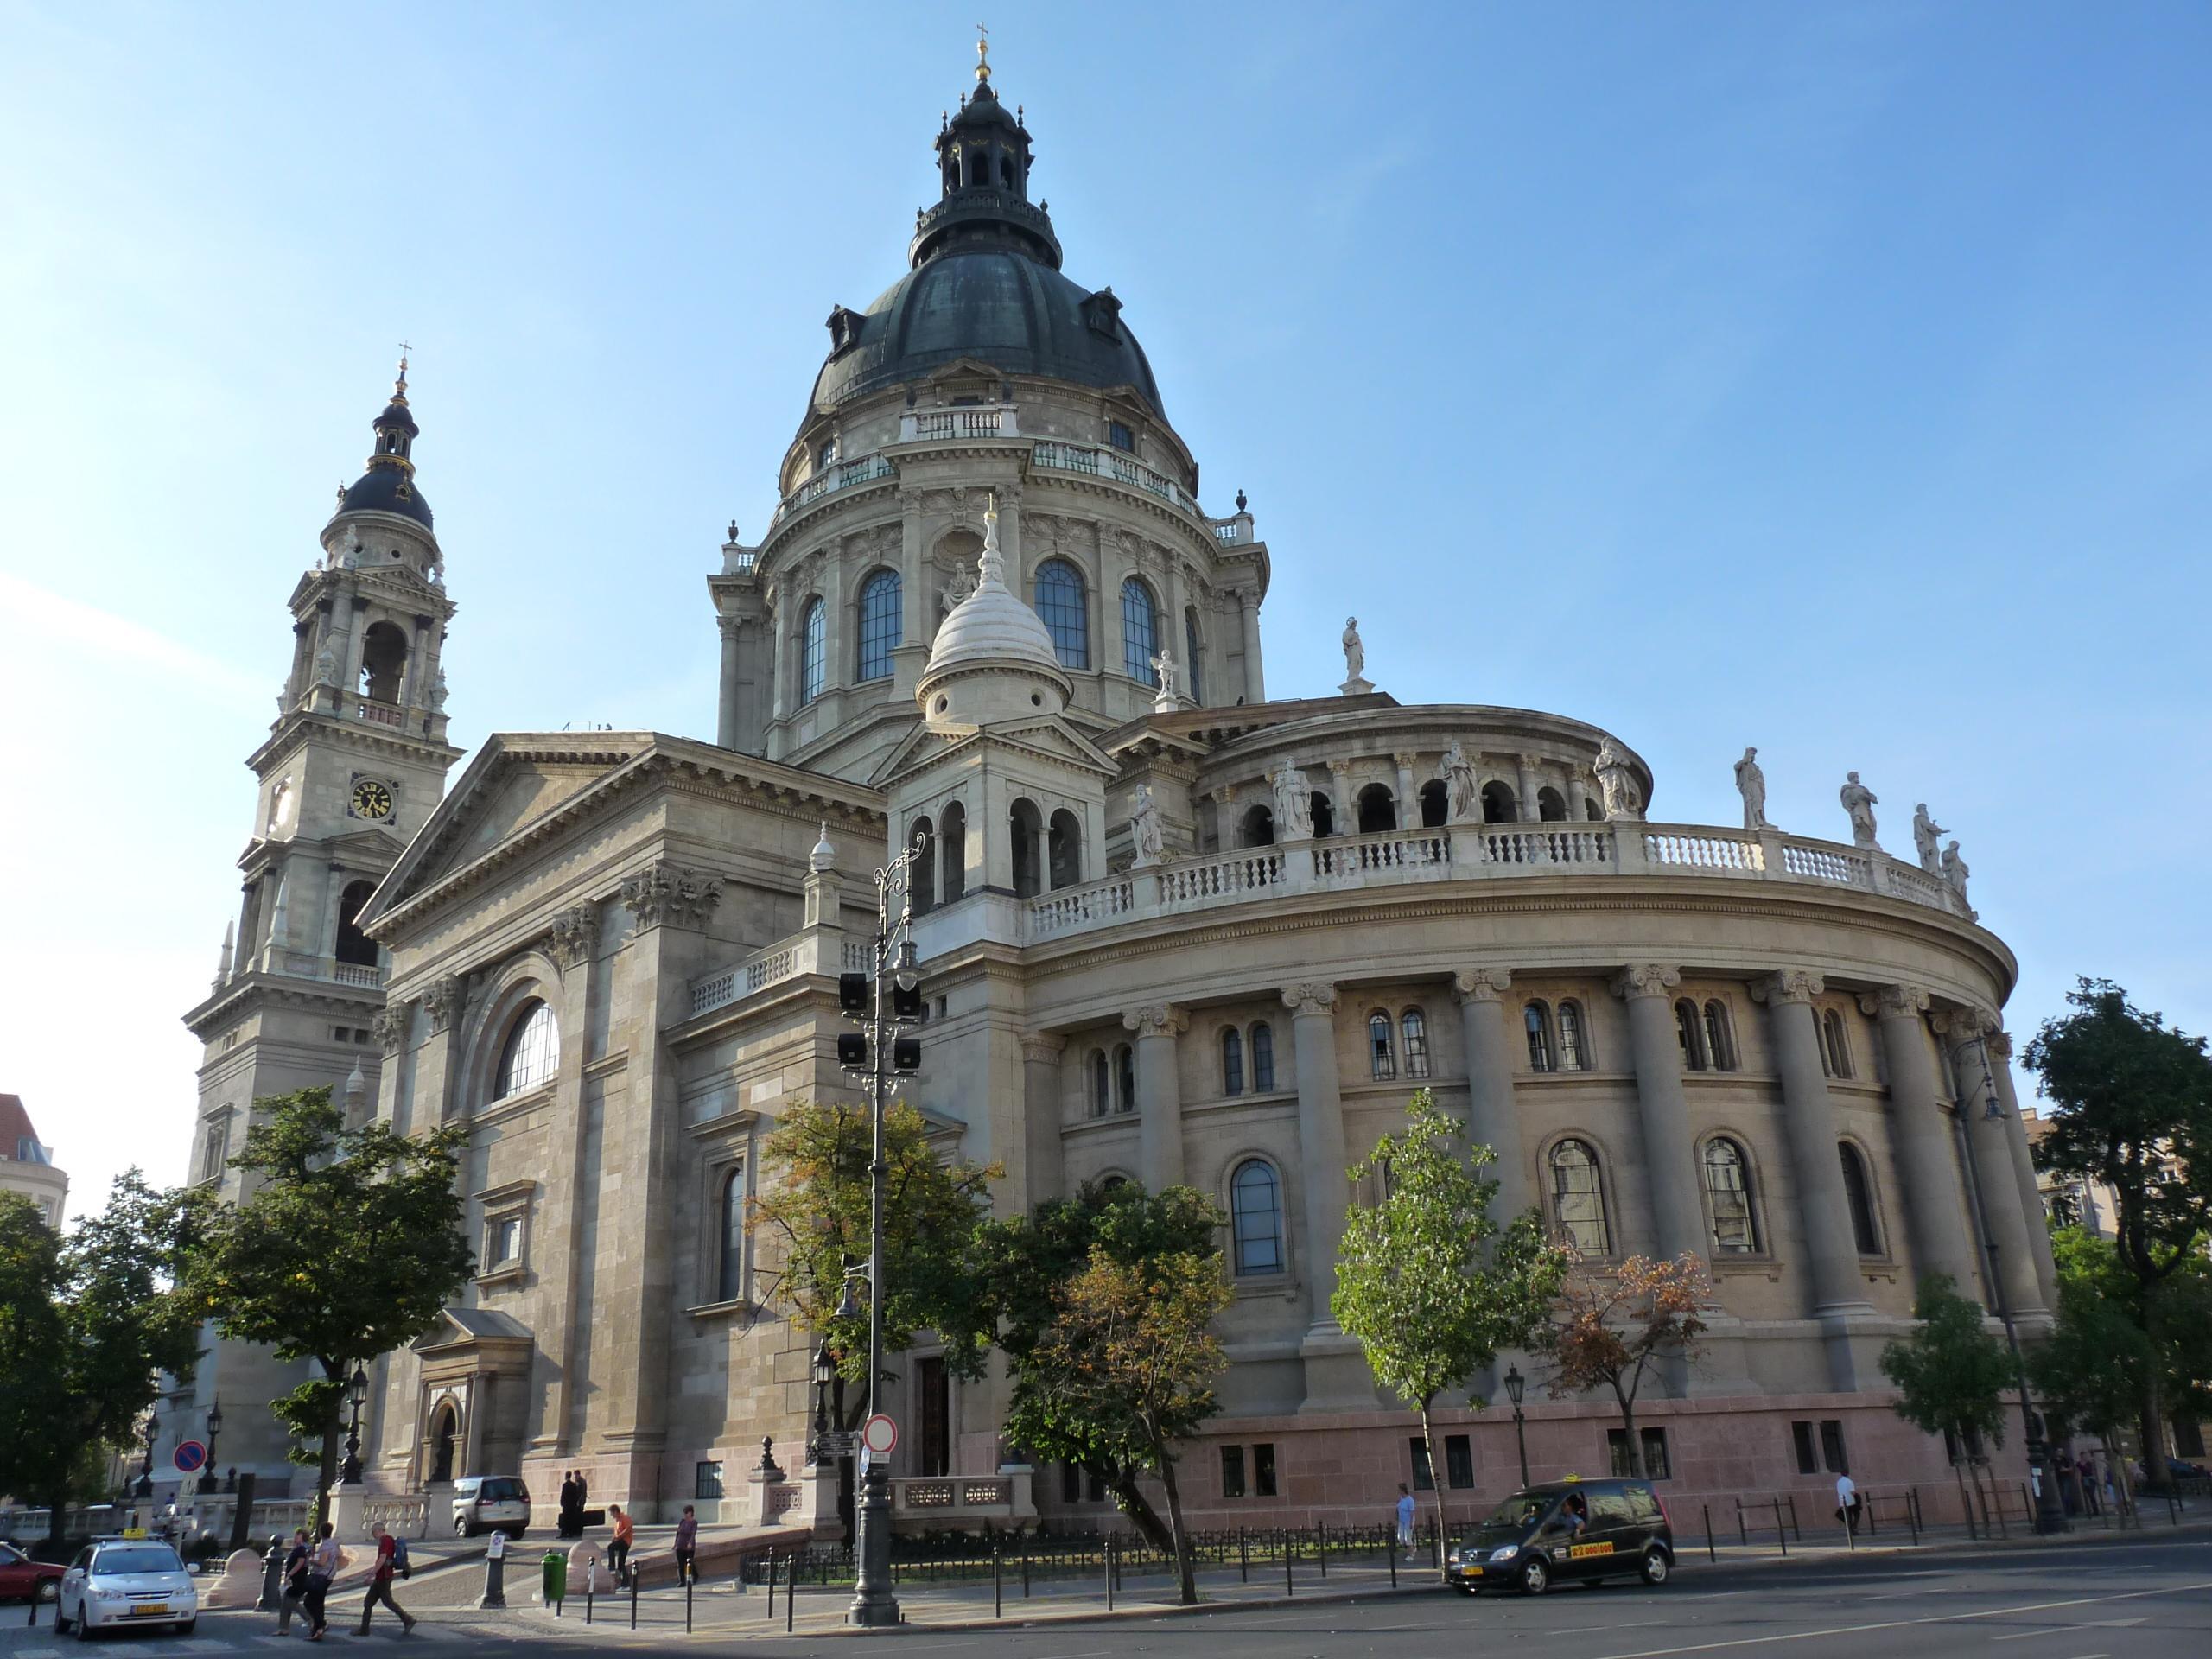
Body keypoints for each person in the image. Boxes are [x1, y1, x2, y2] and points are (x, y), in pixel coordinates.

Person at [355, 1519, 416, 1637]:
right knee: (369, 1602)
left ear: (378, 1531)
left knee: (387, 1602)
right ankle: (364, 1629)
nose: (372, 1535)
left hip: (383, 1577)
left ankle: (407, 1619)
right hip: (383, 1576)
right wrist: (372, 1572)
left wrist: (372, 1573)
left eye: (373, 1532)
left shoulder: (385, 1541)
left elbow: (382, 1559)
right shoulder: (389, 1540)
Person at [302, 1521, 340, 1642]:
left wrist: (311, 1560)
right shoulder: (334, 1544)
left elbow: (322, 1562)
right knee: (318, 1603)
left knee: (309, 1602)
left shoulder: (326, 1546)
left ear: (321, 1532)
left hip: (320, 1576)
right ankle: (318, 1629)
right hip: (328, 1576)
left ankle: (320, 1625)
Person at [274, 1529, 309, 1636]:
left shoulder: (301, 1549)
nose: (295, 1537)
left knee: (290, 1602)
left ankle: (310, 1619)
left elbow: (300, 1562)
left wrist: (290, 1575)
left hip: (297, 1580)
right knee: (285, 1603)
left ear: (303, 1537)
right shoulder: (299, 1548)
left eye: (298, 1535)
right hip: (296, 1579)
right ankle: (283, 1628)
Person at [608, 1503, 634, 1589]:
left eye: (612, 1514)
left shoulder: (625, 1518)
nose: (612, 1516)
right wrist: (614, 1538)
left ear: (616, 1511)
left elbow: (628, 1529)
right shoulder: (618, 1521)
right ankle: (625, 1584)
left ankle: (611, 1566)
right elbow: (617, 1532)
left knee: (611, 1547)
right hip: (621, 1541)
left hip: (625, 1542)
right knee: (621, 1563)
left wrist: (618, 1537)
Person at [673, 1503, 698, 1586]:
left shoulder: (694, 1523)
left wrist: (690, 1542)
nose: (685, 1515)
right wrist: (675, 1544)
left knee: (689, 1562)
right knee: (680, 1564)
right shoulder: (682, 1521)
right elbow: (678, 1533)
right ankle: (682, 1581)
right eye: (684, 1513)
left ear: (690, 1513)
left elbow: (693, 1533)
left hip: (689, 1546)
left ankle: (694, 1576)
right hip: (680, 1544)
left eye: (686, 1513)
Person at [1834, 1470, 1862, 1534]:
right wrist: (1857, 1496)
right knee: (1857, 1514)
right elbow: (1852, 1492)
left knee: (1848, 1516)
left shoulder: (1838, 1482)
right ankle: (1854, 1526)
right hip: (1850, 1501)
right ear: (1848, 1474)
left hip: (1842, 1502)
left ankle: (1850, 1529)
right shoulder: (1849, 1481)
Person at [1395, 1483, 1416, 1562]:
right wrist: (1396, 1515)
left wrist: (1411, 1523)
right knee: (1400, 1538)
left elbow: (1412, 1512)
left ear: (1402, 1490)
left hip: (1408, 1521)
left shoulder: (1410, 1500)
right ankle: (1411, 1550)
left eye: (1399, 1489)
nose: (1398, 1491)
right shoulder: (1400, 1499)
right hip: (1401, 1521)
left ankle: (1411, 1555)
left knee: (1408, 1538)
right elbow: (1398, 1508)